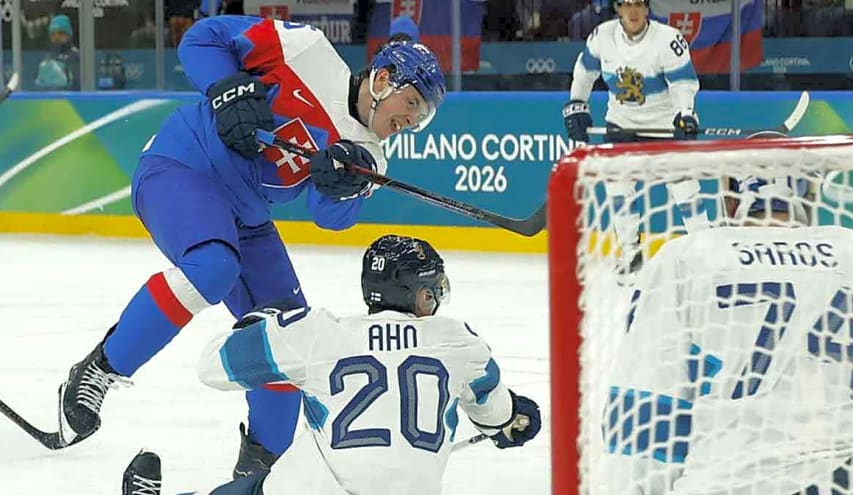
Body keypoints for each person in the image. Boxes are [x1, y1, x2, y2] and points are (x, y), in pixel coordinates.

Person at [54, 15, 446, 480]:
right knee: (213, 266)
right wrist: (229, 87)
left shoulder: (371, 153)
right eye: (412, 103)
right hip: (182, 164)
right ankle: (98, 371)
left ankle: (258, 477)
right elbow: (201, 39)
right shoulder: (307, 50)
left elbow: (329, 217)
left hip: (246, 214)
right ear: (384, 79)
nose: (411, 121)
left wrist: (343, 180)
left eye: (421, 117)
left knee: (285, 338)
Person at [119, 234, 542, 495]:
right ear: (419, 294)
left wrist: (259, 325)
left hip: (312, 489)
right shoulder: (459, 341)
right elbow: (498, 414)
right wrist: (514, 417)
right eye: (432, 291)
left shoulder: (318, 334)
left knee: (254, 488)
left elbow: (211, 366)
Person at [595, 173, 853, 494]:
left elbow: (645, 405)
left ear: (729, 201)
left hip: (736, 479)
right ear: (811, 198)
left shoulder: (690, 256)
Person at [562, 0, 702, 275]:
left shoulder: (667, 39)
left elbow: (683, 83)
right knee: (618, 188)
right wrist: (577, 104)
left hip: (662, 126)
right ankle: (630, 251)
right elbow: (584, 72)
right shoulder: (602, 36)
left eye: (639, 4)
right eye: (627, 4)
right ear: (618, 8)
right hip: (621, 124)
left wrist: (685, 112)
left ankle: (704, 249)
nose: (633, 11)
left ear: (647, 8)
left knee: (684, 188)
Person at [35, 14, 80, 90]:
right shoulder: (47, 58)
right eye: (53, 35)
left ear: (68, 35)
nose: (56, 38)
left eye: (60, 33)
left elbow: (77, 86)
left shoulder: (75, 56)